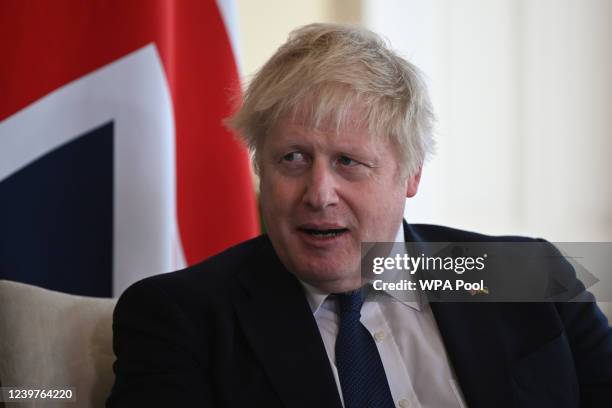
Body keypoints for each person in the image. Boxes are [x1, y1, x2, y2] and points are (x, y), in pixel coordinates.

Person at [106, 23, 612, 407]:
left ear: (410, 175)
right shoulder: (181, 317)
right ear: (261, 167)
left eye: (348, 162)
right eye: (292, 159)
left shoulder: (521, 272)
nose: (319, 194)